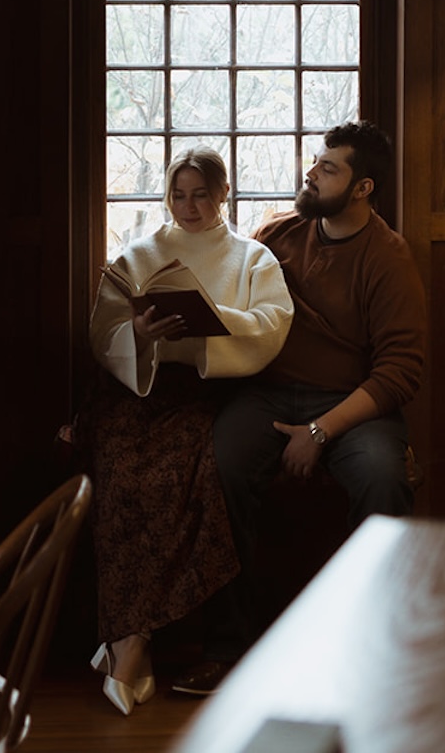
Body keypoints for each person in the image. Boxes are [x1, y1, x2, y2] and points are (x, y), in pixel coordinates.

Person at [176, 120, 428, 695]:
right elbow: (225, 288)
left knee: (384, 479)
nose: (310, 173)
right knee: (219, 467)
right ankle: (225, 649)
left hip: (352, 402)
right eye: (315, 162)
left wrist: (318, 431)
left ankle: (372, 652)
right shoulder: (279, 234)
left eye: (328, 167)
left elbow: (401, 370)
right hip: (266, 392)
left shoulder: (388, 258)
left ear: (362, 188)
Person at [82, 147, 293, 714]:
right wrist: (142, 334)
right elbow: (104, 332)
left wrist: (208, 328)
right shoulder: (137, 256)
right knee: (123, 476)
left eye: (201, 193)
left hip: (209, 393)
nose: (189, 205)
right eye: (179, 194)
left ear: (223, 192)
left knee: (180, 478)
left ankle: (129, 642)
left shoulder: (252, 258)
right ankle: (129, 637)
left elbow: (272, 325)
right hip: (137, 393)